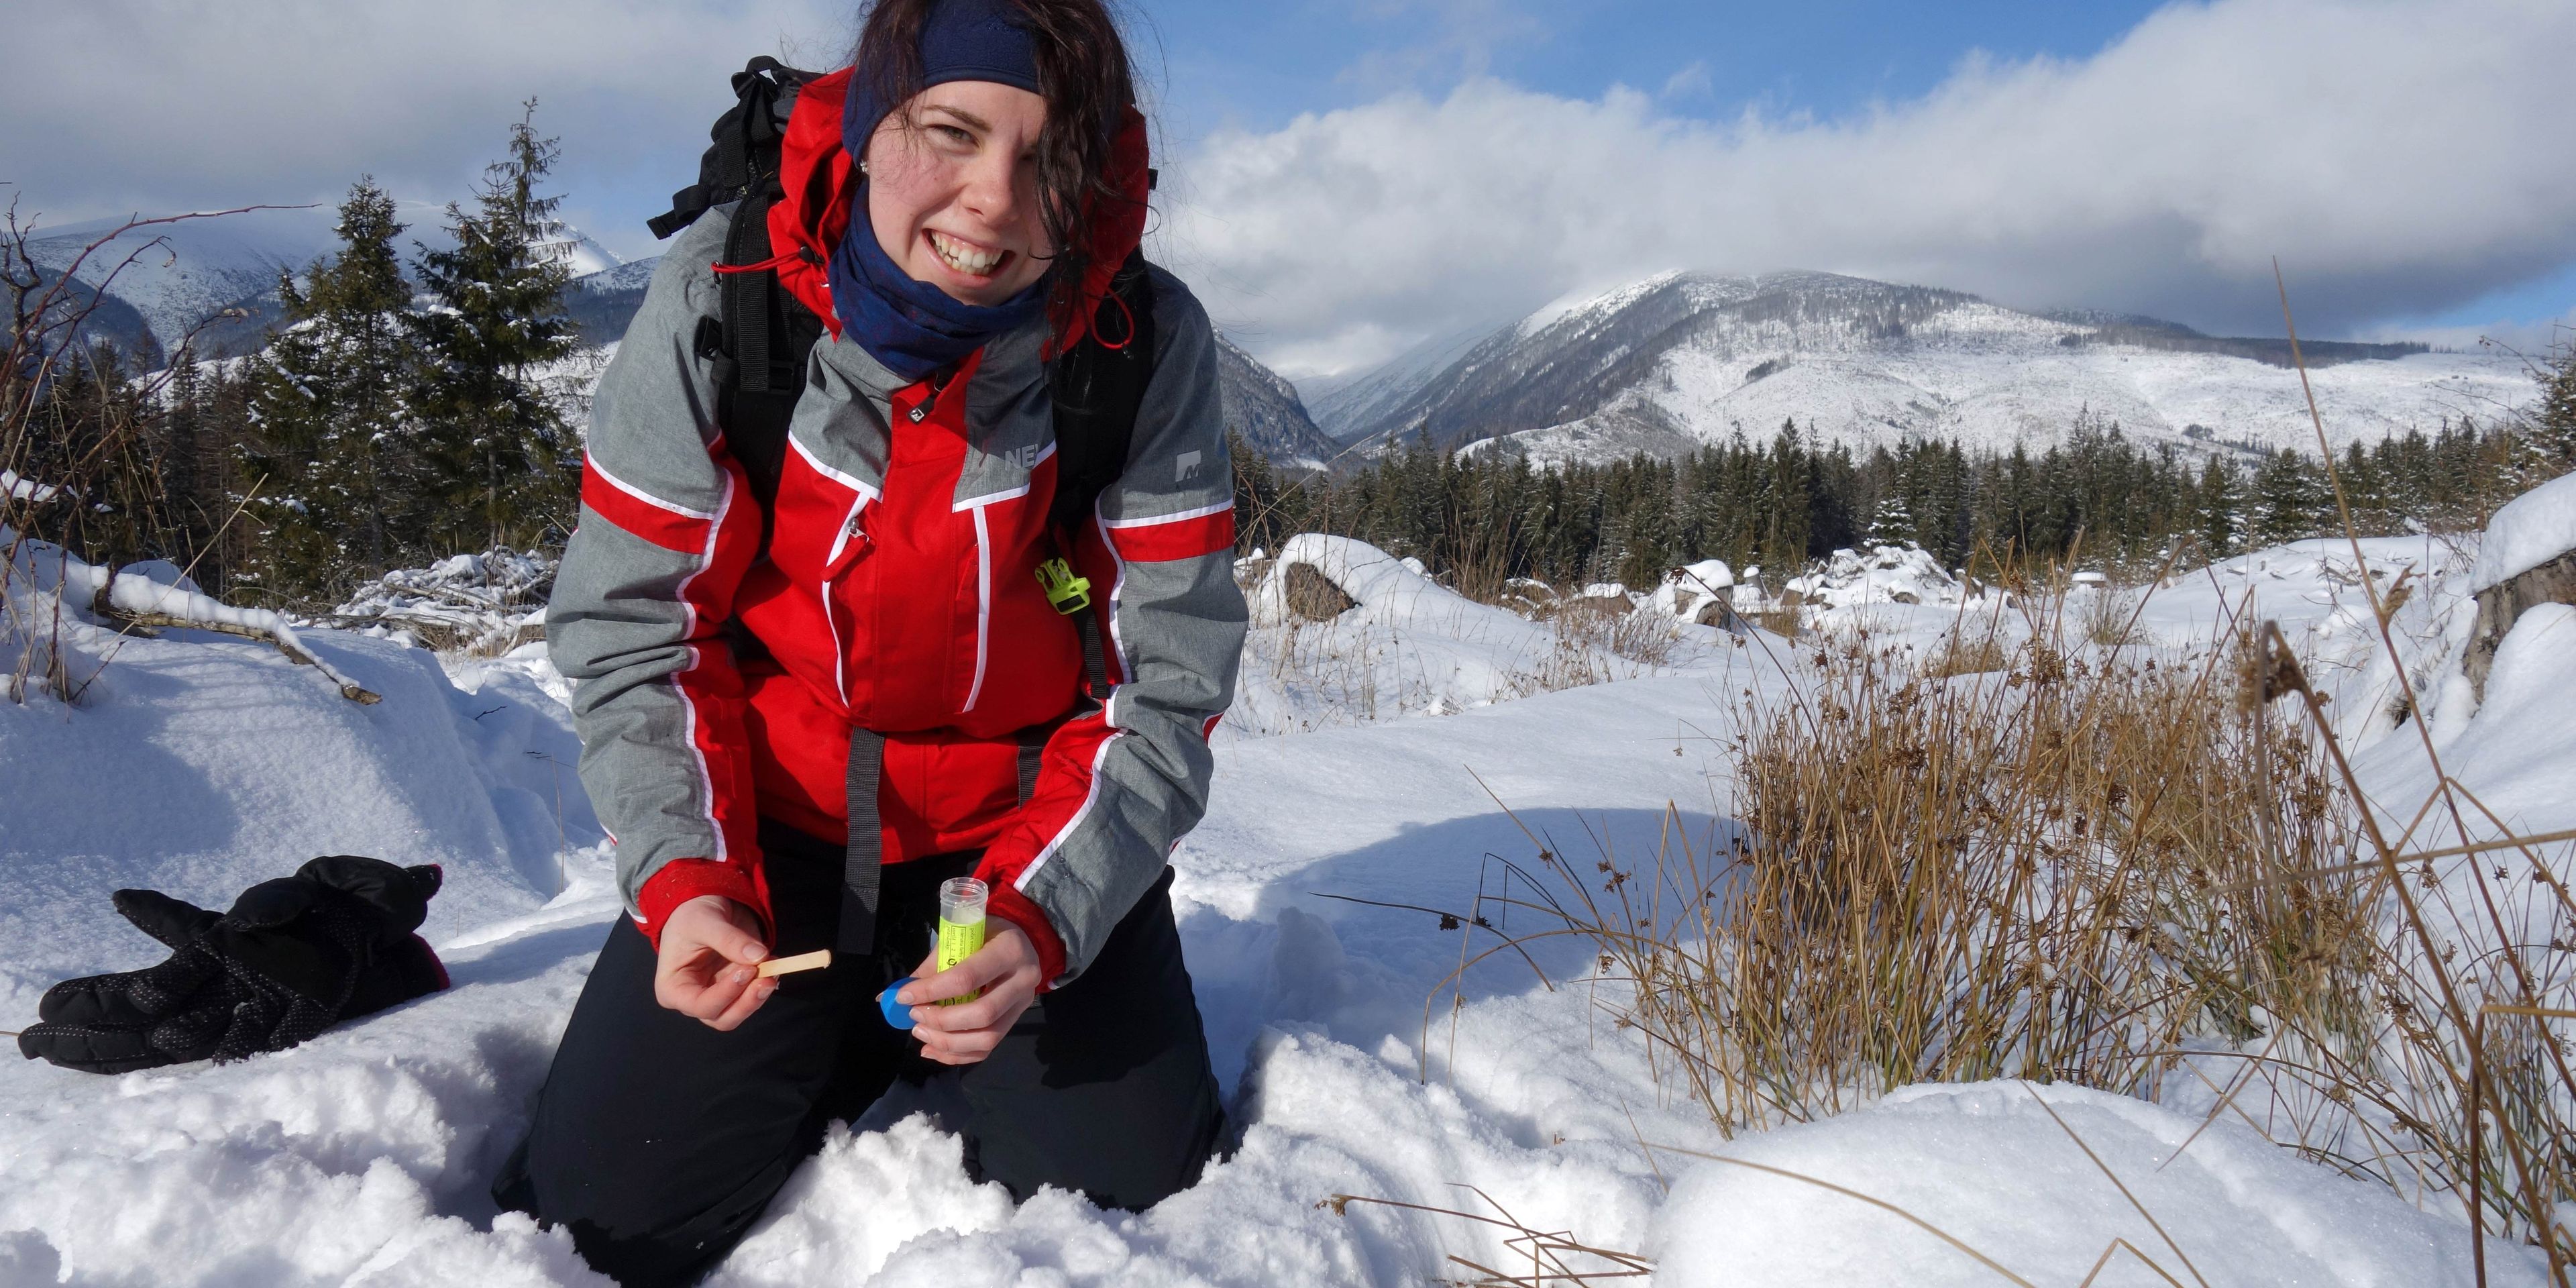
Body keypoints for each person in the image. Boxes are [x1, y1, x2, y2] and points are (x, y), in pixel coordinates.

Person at [493, 0, 1246, 1281]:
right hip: (771, 841)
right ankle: (833, 1016)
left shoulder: (1140, 344)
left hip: (1014, 844)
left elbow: (1161, 690)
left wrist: (1038, 917)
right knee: (596, 1217)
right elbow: (634, 633)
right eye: (949, 130)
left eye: (1045, 159)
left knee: (1128, 1195)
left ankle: (900, 1012)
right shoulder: (728, 301)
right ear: (872, 117)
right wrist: (684, 881)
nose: (994, 201)